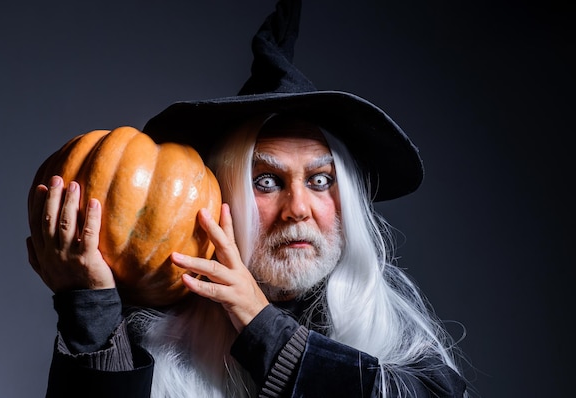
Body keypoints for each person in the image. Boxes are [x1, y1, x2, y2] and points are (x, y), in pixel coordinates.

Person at [27, 1, 470, 397]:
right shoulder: (150, 335)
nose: (298, 209)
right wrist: (90, 309)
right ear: (219, 197)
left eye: (319, 181)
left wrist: (260, 326)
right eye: (266, 182)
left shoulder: (394, 335)